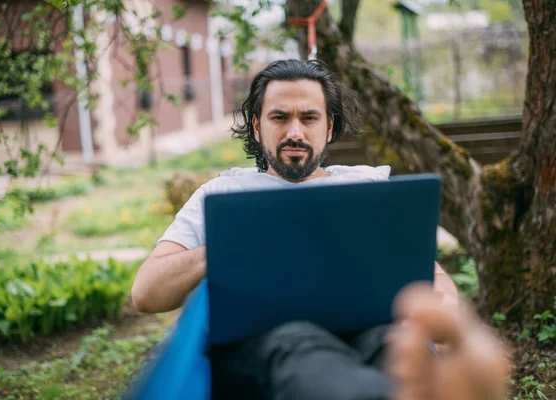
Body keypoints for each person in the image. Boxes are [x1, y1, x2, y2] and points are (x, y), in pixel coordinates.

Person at [131, 59, 509, 400]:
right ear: (258, 125)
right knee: (298, 346)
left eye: (309, 118)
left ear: (328, 127)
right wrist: (225, 247)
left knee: (388, 345)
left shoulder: (370, 188)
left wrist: (441, 306)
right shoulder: (223, 193)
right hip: (269, 342)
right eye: (280, 118)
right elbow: (146, 293)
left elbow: (434, 280)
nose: (295, 131)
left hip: (368, 330)